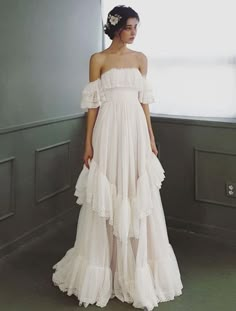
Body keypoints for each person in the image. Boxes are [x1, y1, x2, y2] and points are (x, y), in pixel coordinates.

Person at [52, 5, 183, 310]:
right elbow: (93, 105)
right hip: (108, 131)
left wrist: (150, 137)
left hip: (136, 132)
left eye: (137, 27)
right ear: (115, 28)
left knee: (137, 191)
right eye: (129, 27)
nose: (134, 32)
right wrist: (88, 143)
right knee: (108, 193)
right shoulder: (98, 60)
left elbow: (144, 101)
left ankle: (136, 270)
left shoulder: (141, 60)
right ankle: (104, 268)